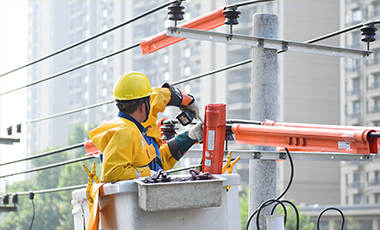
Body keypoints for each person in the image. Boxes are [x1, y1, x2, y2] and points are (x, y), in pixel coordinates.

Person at [89, 71, 203, 183]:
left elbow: (156, 161)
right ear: (143, 107)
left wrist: (190, 137)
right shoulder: (125, 133)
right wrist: (148, 173)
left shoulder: (135, 129)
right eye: (149, 99)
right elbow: (112, 173)